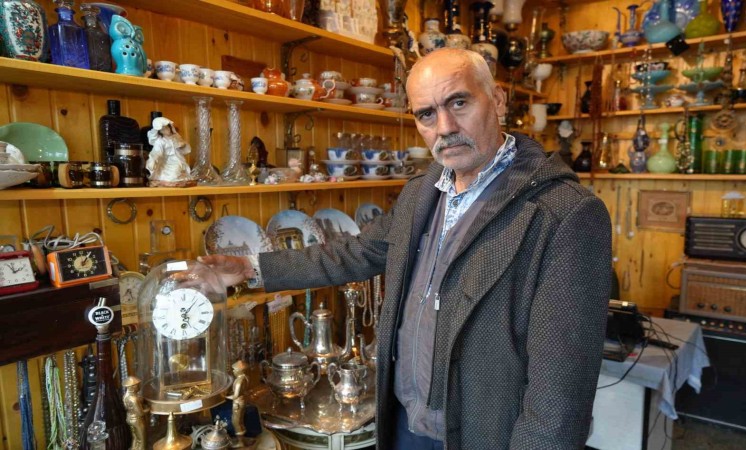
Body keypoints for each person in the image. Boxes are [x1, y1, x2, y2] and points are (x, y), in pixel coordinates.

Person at [200, 48, 611, 449]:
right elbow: (355, 252)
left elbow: (560, 396)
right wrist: (251, 268)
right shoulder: (422, 193)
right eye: (426, 114)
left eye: (459, 103)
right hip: (404, 424)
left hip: (485, 434)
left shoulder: (564, 213)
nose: (445, 127)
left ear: (498, 99)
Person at [146, 117, 195, 187]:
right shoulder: (160, 141)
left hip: (178, 158)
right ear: (160, 131)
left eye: (167, 128)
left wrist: (183, 145)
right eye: (163, 129)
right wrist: (153, 160)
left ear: (170, 127)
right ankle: (168, 180)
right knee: (174, 172)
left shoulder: (175, 137)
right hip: (166, 161)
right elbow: (156, 152)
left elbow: (185, 149)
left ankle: (181, 179)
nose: (166, 130)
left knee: (182, 169)